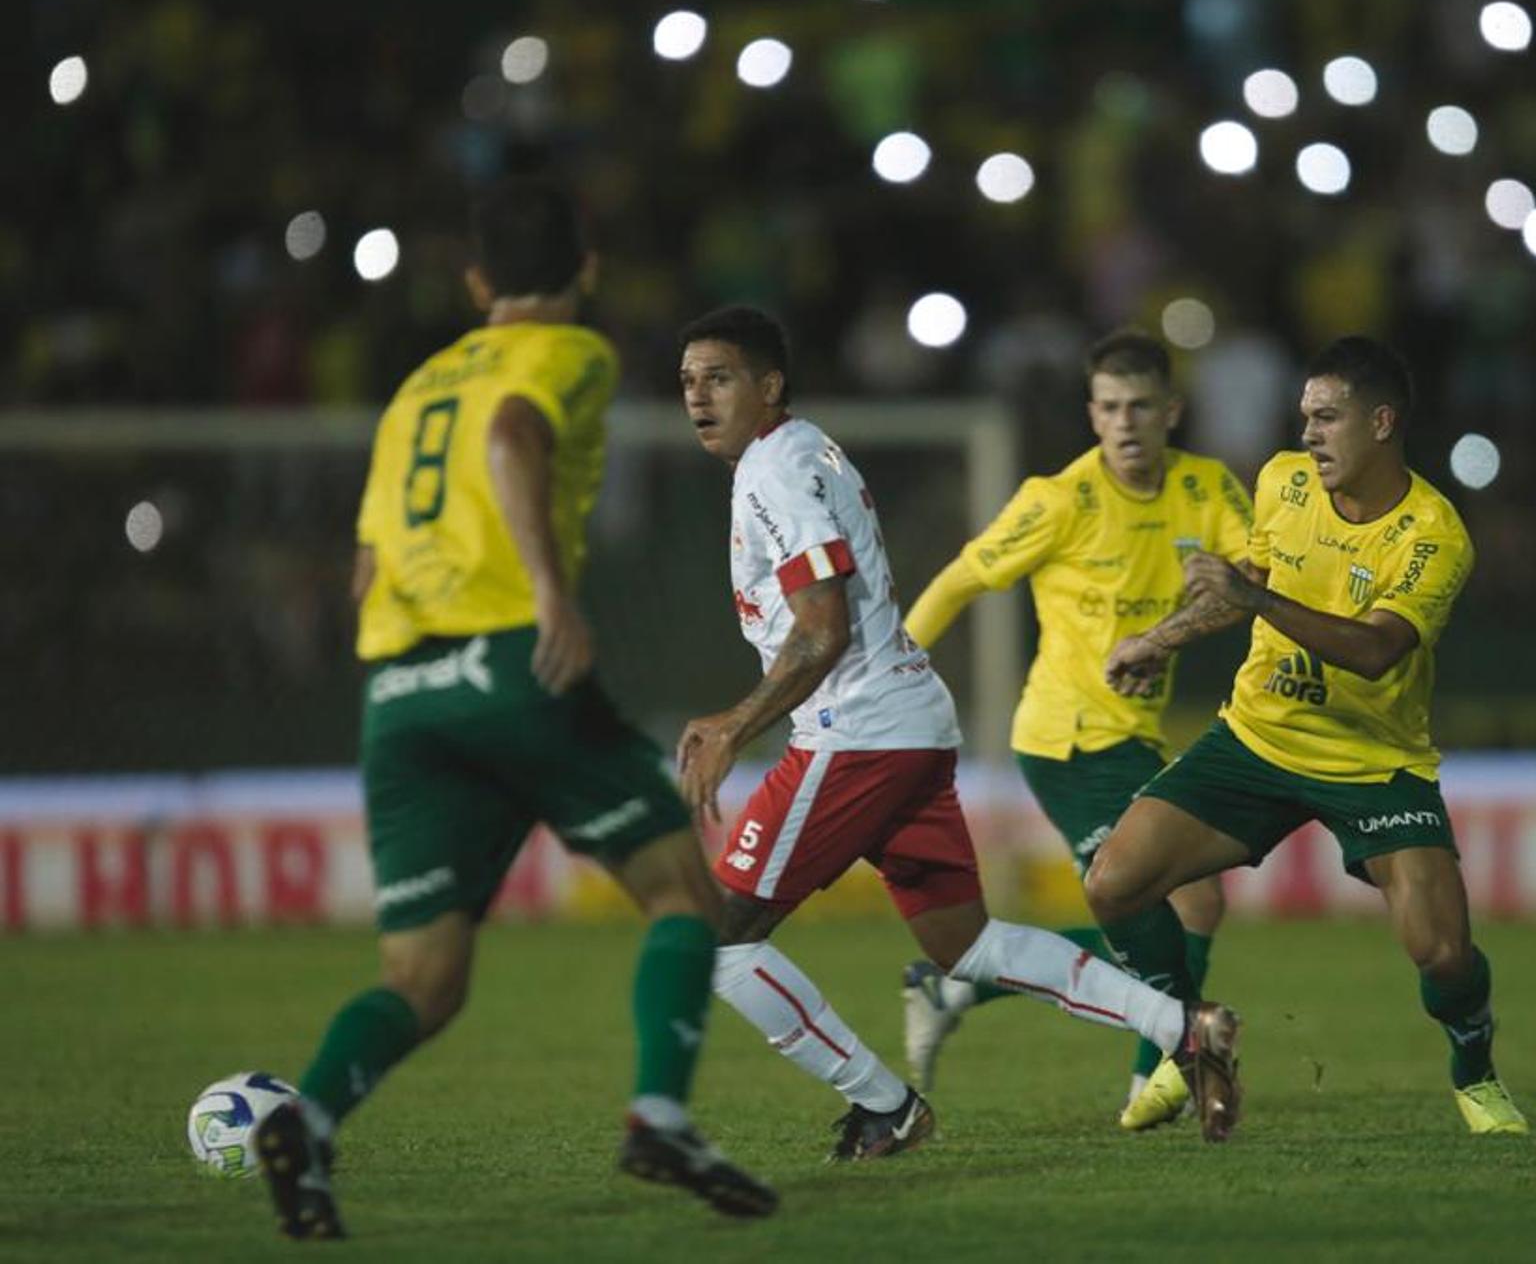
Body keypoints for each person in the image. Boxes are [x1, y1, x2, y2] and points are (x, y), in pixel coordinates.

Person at [253, 179, 776, 1240]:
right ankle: (661, 1114)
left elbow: (365, 566)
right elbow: (512, 437)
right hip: (508, 667)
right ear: (585, 270)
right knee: (684, 889)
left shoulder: (411, 390)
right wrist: (547, 591)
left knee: (425, 976)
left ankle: (306, 1120)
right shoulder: (569, 354)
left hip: (400, 695)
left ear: (479, 279)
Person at [673, 305, 1245, 1154]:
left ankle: (883, 1104)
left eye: (718, 379)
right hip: (907, 721)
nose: (696, 398)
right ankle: (1183, 1028)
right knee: (965, 943)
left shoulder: (777, 472)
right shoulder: (801, 450)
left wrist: (734, 725)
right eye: (686, 382)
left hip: (856, 733)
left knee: (714, 940)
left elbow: (823, 627)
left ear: (769, 385)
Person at [1098, 335, 1529, 1136]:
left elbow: (1375, 651)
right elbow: (1245, 591)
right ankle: (1186, 1035)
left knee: (1442, 955)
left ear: (1382, 423)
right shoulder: (1281, 483)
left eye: (1327, 418)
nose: (1308, 435)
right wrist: (1157, 640)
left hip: (1373, 761)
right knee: (1114, 883)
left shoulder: (1433, 534)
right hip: (1257, 737)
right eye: (1305, 418)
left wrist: (1255, 602)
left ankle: (1476, 1072)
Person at [898, 329, 1253, 1125]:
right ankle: (1153, 1077)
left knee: (1190, 905)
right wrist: (890, 678)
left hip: (1136, 735)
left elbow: (1258, 575)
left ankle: (959, 983)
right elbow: (958, 580)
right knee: (1169, 904)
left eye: (1140, 407)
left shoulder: (1207, 487)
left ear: (1172, 411)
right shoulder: (1059, 499)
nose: (1124, 424)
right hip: (1068, 739)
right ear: (1092, 415)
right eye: (1109, 408)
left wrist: (1220, 593)